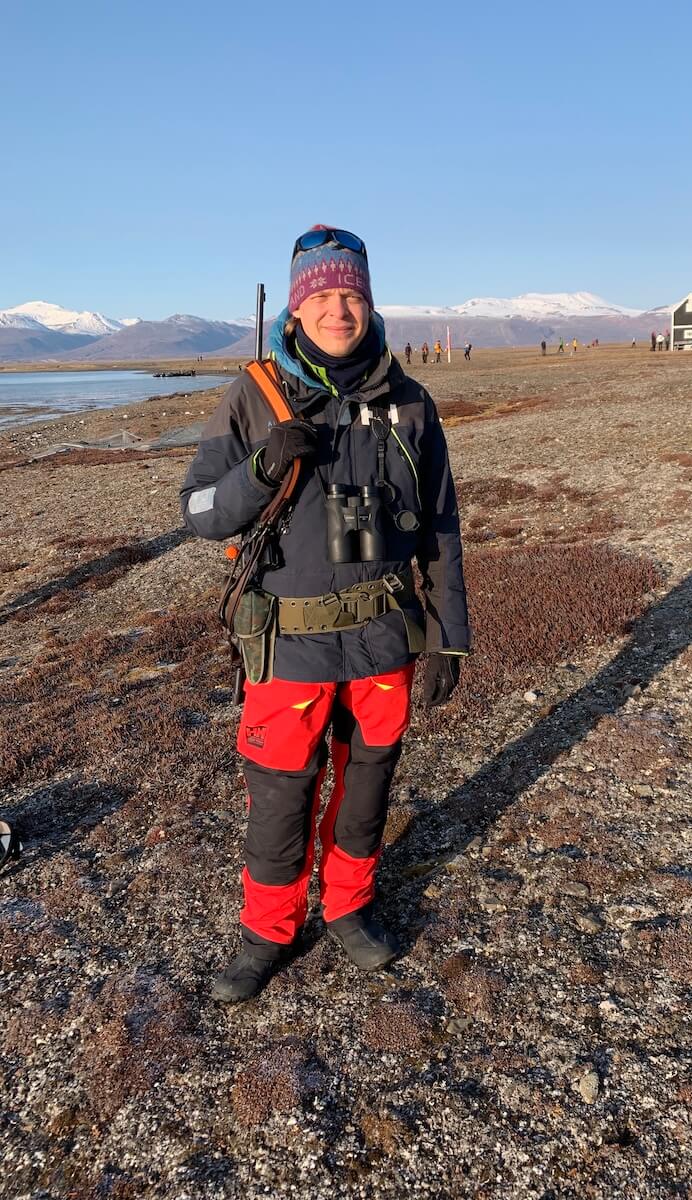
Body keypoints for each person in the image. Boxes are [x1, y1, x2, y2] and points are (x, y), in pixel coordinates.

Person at [180, 225, 470, 1003]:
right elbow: (201, 510)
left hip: (383, 642)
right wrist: (263, 465)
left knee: (369, 786)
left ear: (369, 302)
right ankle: (266, 931)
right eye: (323, 295)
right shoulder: (253, 395)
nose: (339, 308)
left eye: (352, 294)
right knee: (280, 799)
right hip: (289, 649)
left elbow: (440, 525)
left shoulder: (409, 402)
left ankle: (347, 908)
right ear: (296, 309)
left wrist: (447, 640)